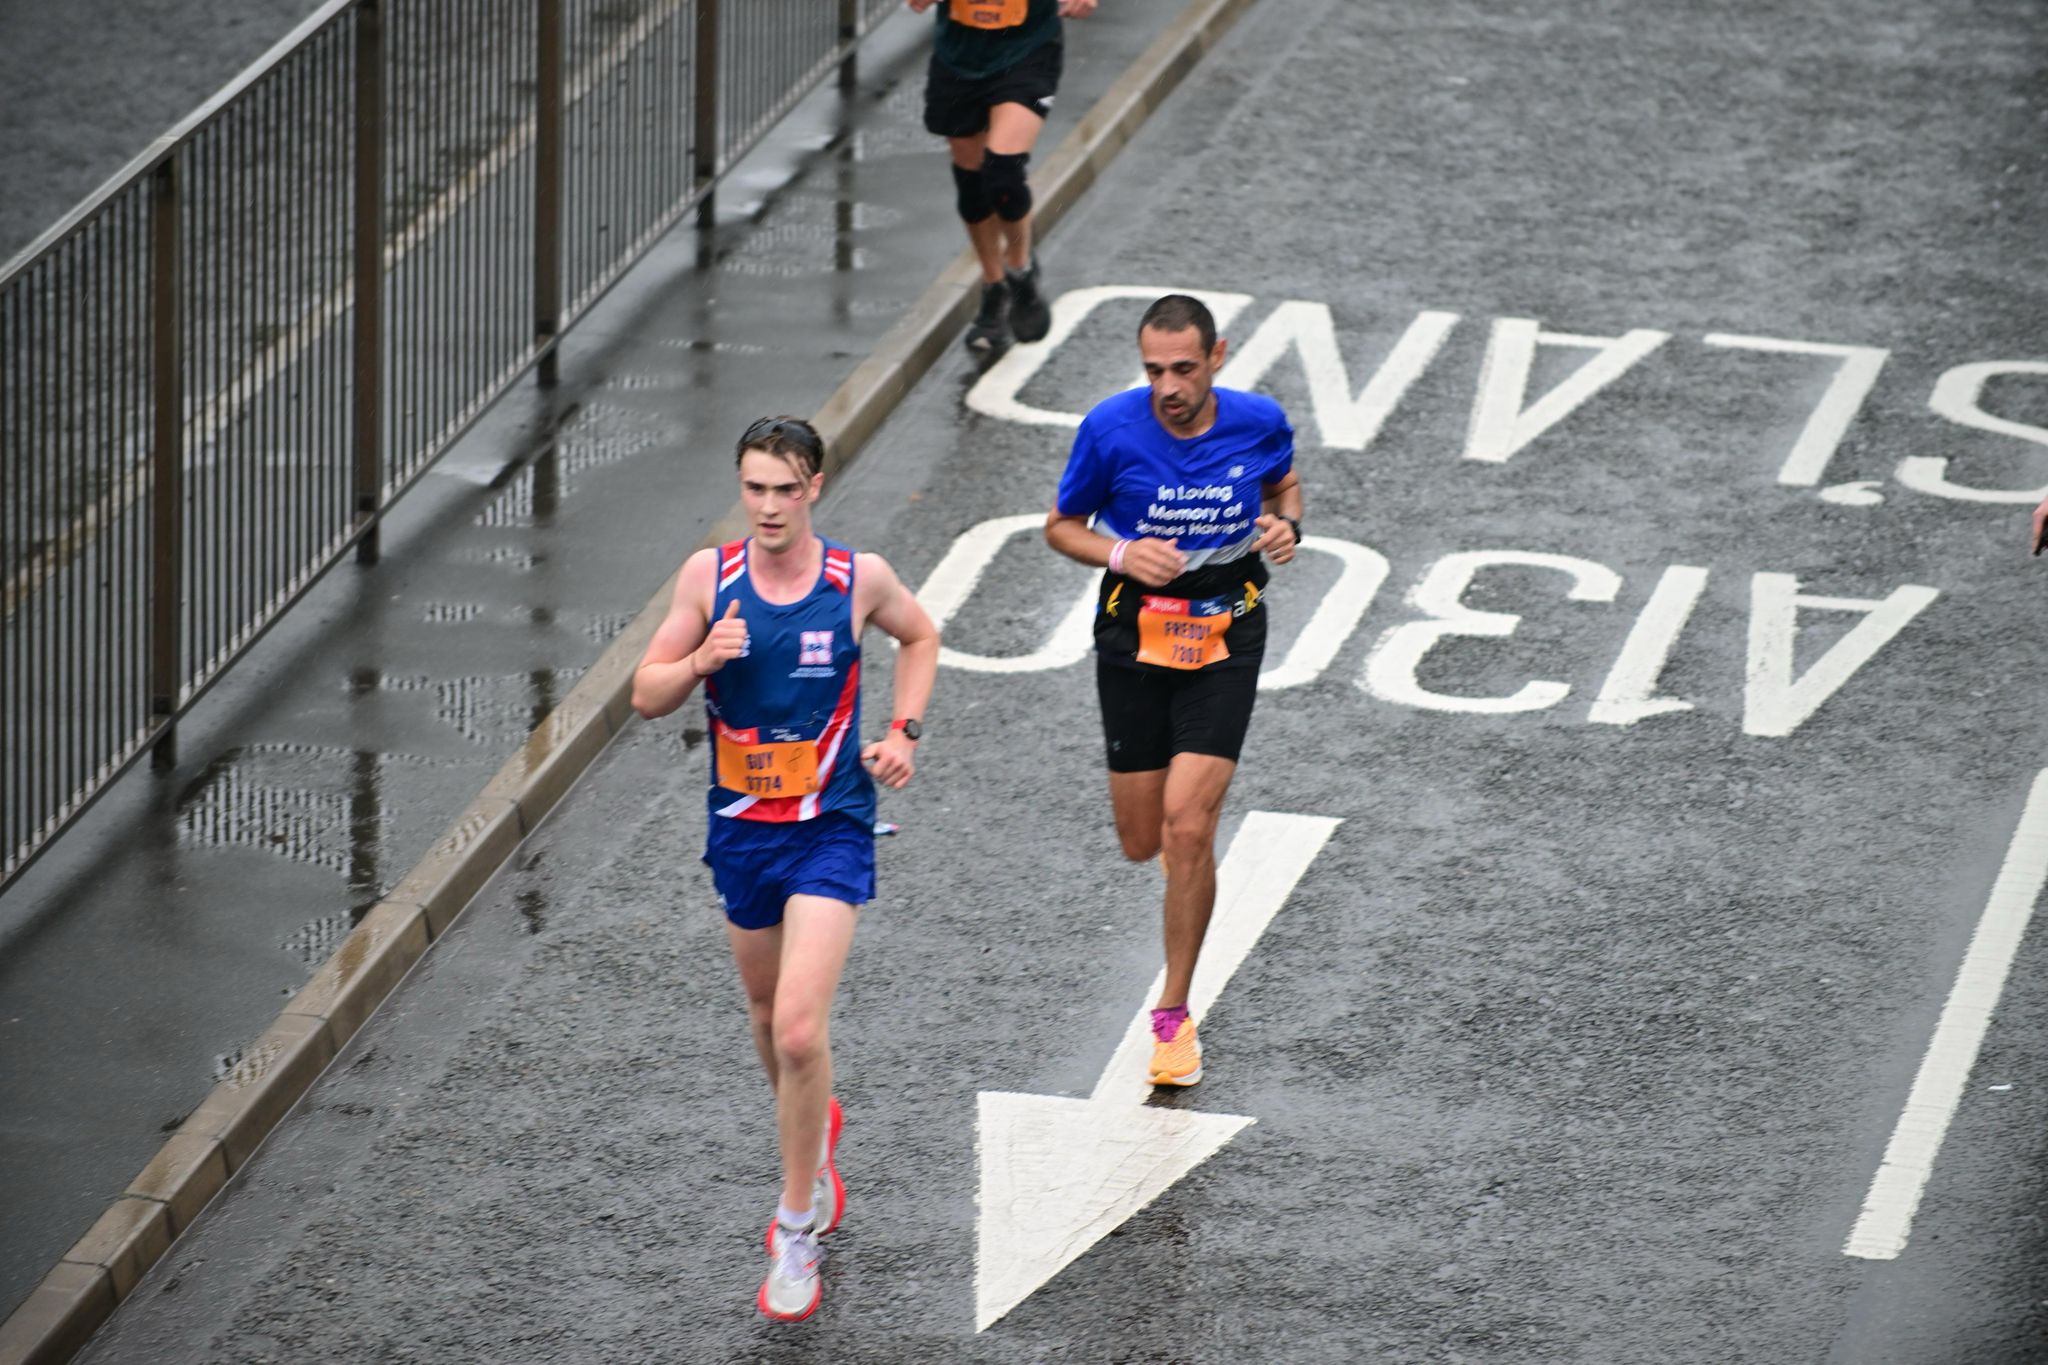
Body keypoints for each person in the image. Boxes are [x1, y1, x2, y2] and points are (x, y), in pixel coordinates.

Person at [632, 416, 939, 1321]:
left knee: (801, 1031)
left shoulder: (855, 578)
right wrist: (699, 659)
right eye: (754, 487)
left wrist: (902, 732)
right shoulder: (709, 577)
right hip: (742, 831)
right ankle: (816, 1129)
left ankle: (795, 1225)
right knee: (768, 1019)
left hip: (830, 825)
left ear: (814, 489)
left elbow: (920, 635)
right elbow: (645, 694)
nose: (768, 506)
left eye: (785, 488)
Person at [1044, 294, 1302, 1088]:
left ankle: (1173, 1013)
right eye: (1153, 370)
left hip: (1228, 634)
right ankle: (1182, 867)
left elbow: (1284, 486)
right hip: (1134, 637)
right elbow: (1061, 524)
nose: (1168, 388)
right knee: (1141, 838)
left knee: (1189, 825)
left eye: (1184, 369)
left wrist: (1287, 526)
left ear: (1217, 356)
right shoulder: (1110, 430)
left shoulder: (1258, 421)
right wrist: (1121, 555)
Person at [907, 0, 1098, 353]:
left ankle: (1020, 270)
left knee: (1003, 173)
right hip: (960, 53)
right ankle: (994, 287)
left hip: (1027, 48)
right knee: (972, 184)